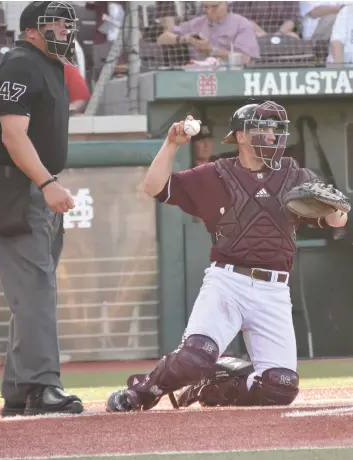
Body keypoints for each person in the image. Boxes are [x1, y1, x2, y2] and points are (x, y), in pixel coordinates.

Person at [106, 101, 348, 412]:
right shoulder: (216, 174)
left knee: (281, 386)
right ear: (241, 136)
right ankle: (144, 391)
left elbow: (335, 222)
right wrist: (171, 144)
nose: (273, 136)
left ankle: (211, 388)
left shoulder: (295, 175)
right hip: (228, 282)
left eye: (276, 129)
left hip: (274, 290)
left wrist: (338, 208)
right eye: (263, 129)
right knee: (195, 357)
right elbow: (154, 186)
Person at [0, 1, 83, 417]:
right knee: (37, 292)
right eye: (56, 22)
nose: (65, 29)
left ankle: (20, 391)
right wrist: (47, 182)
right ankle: (43, 387)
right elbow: (12, 135)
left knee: (32, 295)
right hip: (22, 190)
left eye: (68, 23)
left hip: (35, 189)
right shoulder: (21, 63)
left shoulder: (51, 65)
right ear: (31, 29)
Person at [157, 1, 260, 65]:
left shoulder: (241, 24)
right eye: (206, 7)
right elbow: (162, 38)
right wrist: (185, 39)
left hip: (230, 75)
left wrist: (212, 50)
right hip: (198, 75)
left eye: (214, 7)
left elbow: (246, 59)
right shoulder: (197, 23)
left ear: (225, 3)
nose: (209, 11)